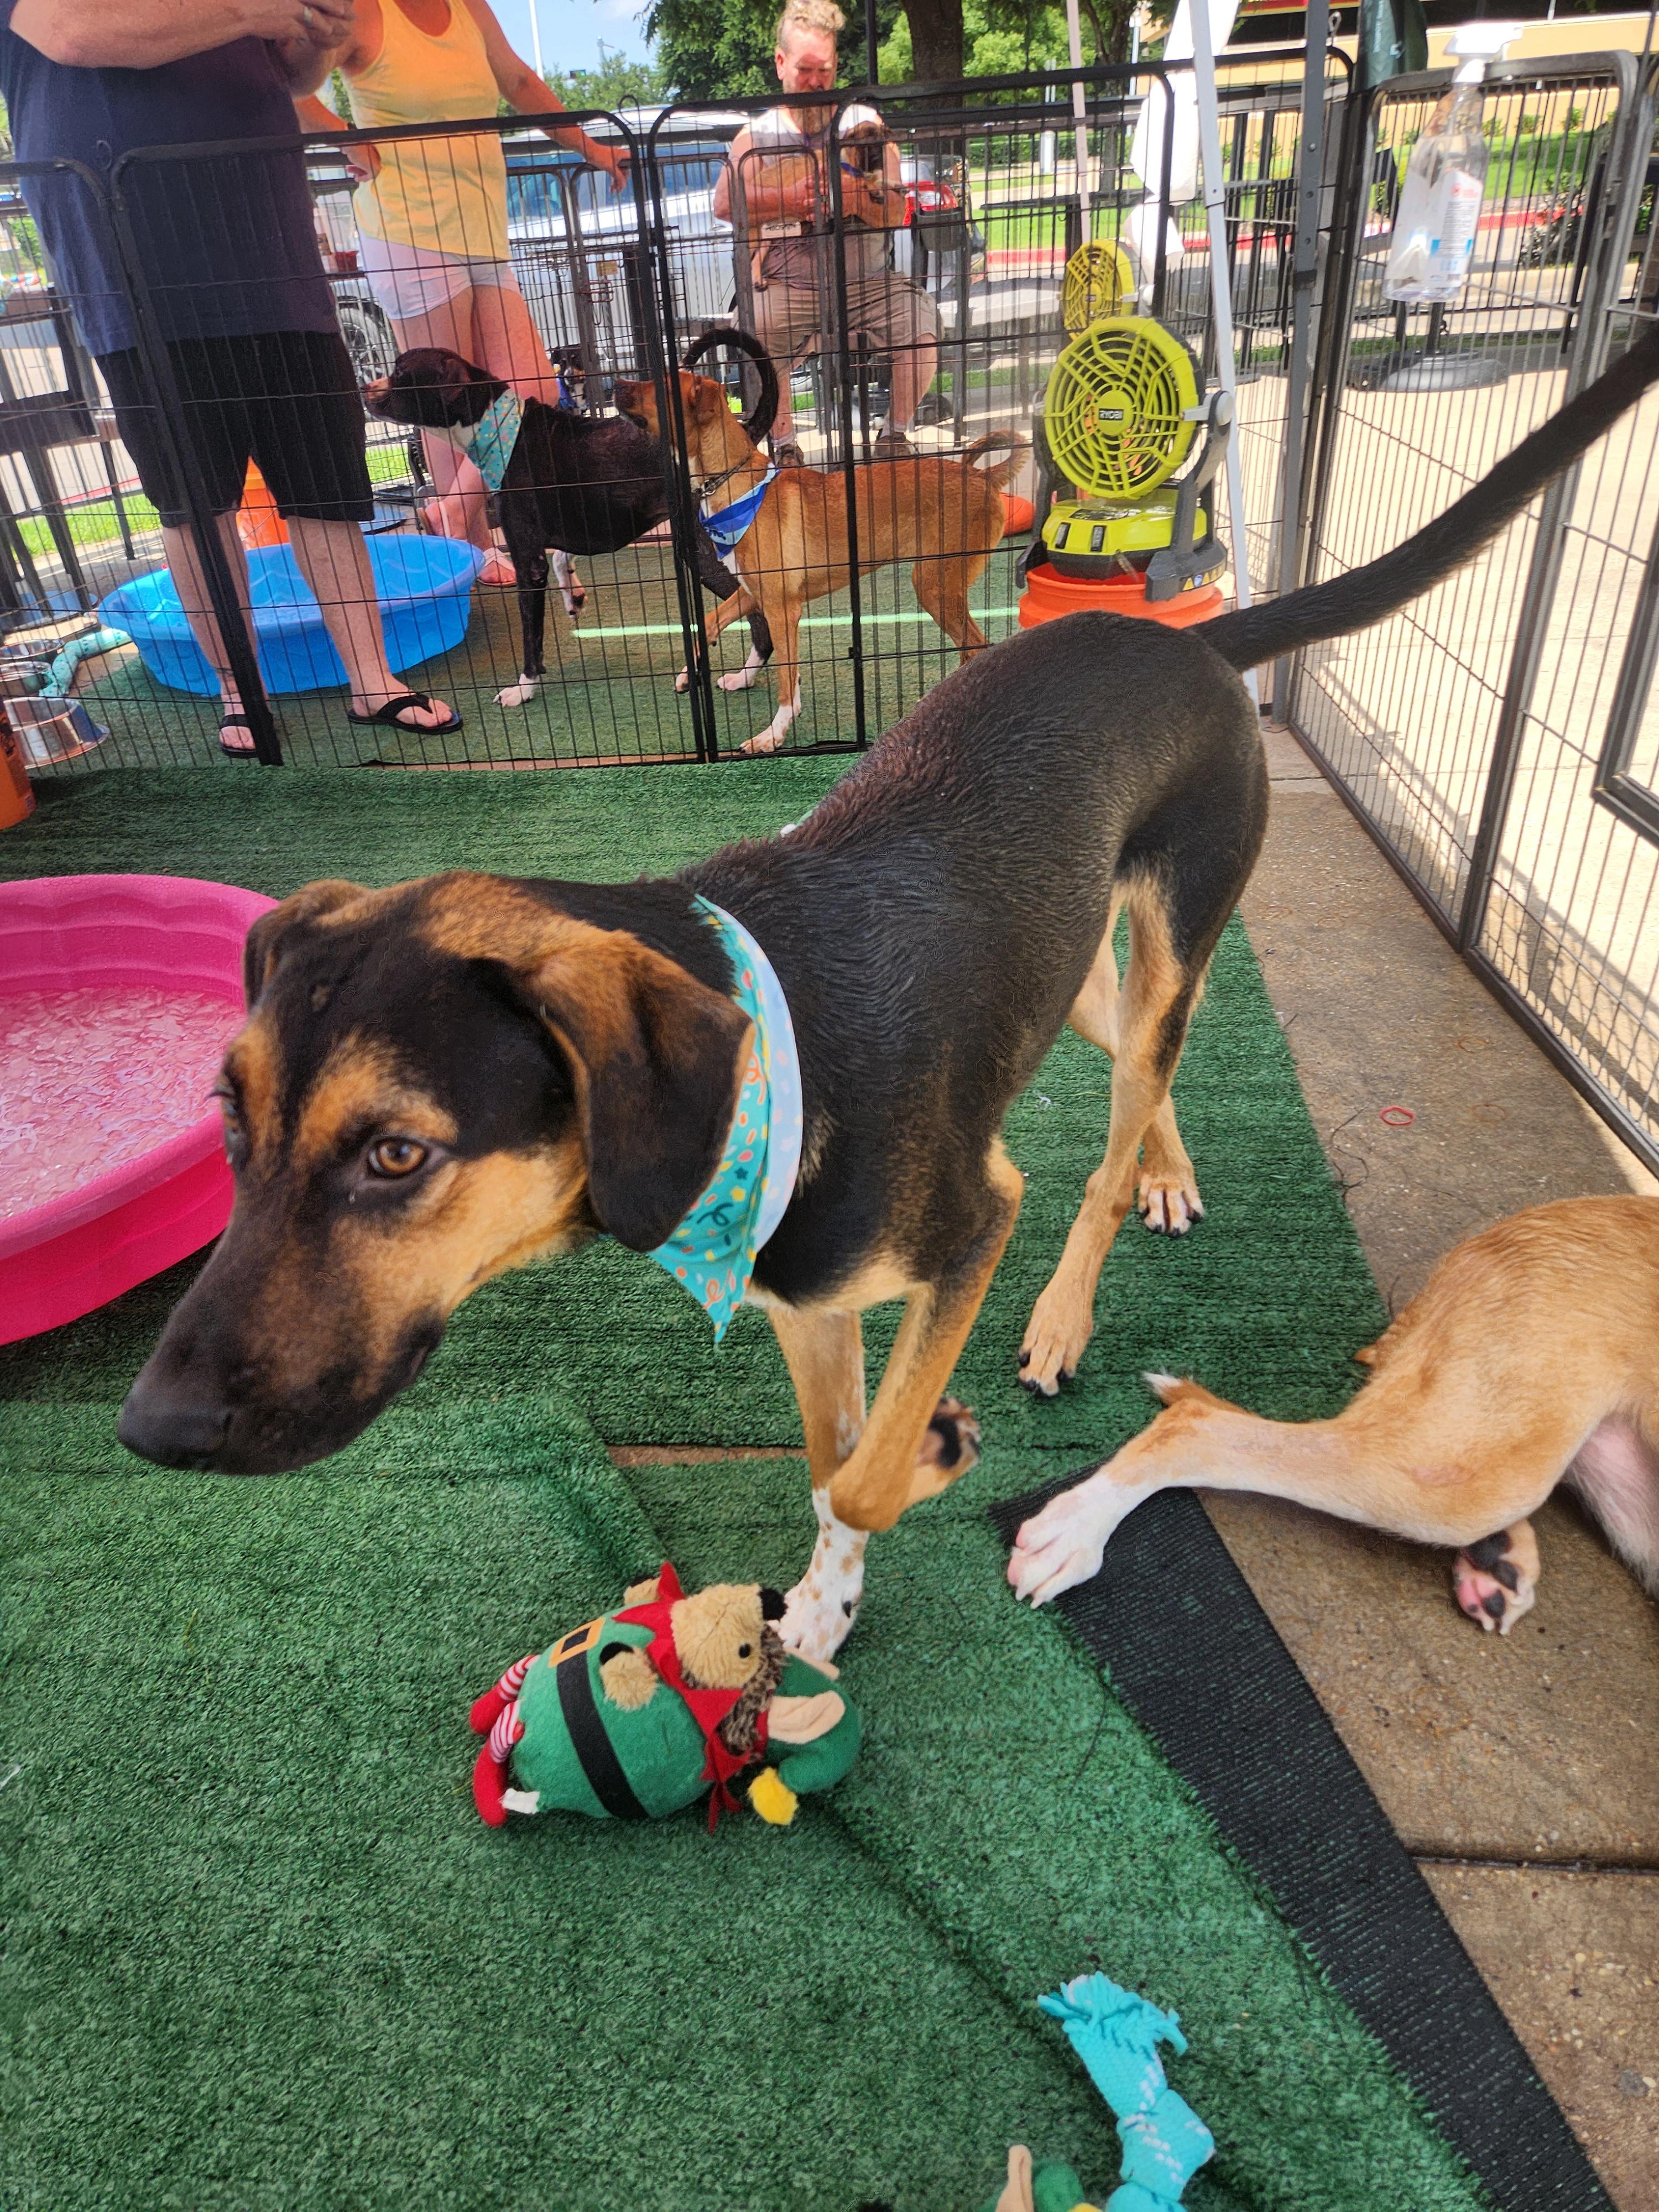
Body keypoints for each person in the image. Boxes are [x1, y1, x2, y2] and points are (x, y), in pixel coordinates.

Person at [0, 0, 460, 755]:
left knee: (329, 488)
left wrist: (320, 40)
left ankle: (374, 680)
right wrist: (258, 8)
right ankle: (239, 691)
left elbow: (290, 71)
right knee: (196, 502)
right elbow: (74, 32)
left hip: (275, 254)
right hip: (139, 270)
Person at [295, 0, 629, 582]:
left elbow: (521, 81)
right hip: (408, 233)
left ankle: (451, 515)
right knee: (443, 405)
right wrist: (348, 140)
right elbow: (290, 87)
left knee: (531, 387)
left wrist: (592, 149)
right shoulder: (363, 12)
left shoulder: (469, 8)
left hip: (482, 234)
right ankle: (472, 553)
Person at [712, 0, 938, 465]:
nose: (817, 82)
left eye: (826, 71)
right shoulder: (756, 135)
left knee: (922, 324)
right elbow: (722, 205)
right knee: (752, 331)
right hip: (790, 285)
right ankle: (785, 444)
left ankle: (894, 437)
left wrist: (854, 197)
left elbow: (896, 211)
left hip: (868, 283)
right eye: (806, 69)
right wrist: (792, 199)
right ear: (780, 64)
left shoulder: (865, 127)